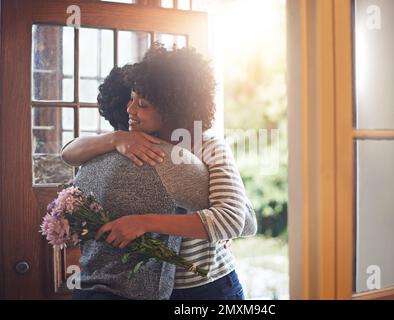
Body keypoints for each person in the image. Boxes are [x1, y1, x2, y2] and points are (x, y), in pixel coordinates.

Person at [62, 44, 257, 299]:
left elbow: (234, 219)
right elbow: (69, 152)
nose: (130, 110)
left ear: (172, 109)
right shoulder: (134, 142)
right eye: (132, 99)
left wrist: (143, 223)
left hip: (208, 286)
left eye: (141, 104)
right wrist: (114, 138)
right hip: (158, 290)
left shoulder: (207, 145)